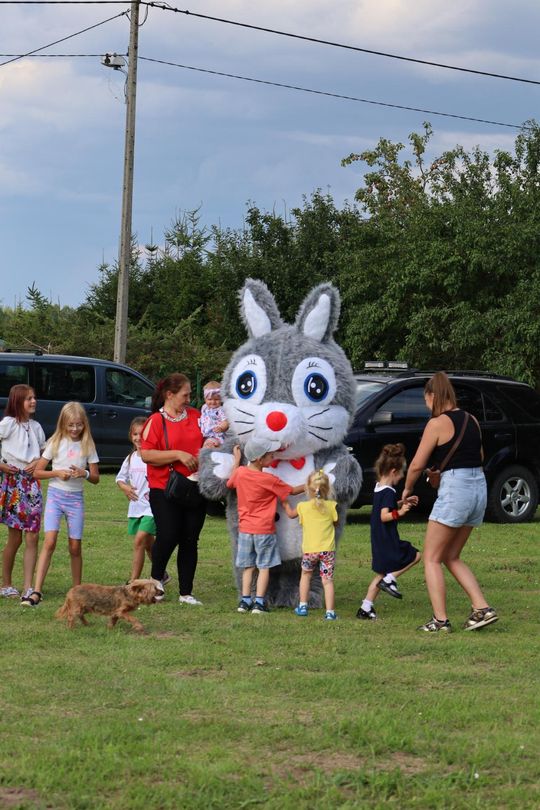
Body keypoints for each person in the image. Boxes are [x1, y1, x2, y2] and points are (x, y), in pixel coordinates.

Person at [402, 371, 498, 632]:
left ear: (433, 396)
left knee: (431, 557)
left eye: (425, 401)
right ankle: (482, 608)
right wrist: (440, 475)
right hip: (478, 488)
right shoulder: (472, 420)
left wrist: (407, 489)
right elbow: (475, 456)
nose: (426, 406)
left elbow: (416, 465)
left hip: (457, 490)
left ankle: (440, 621)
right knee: (451, 555)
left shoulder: (437, 423)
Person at [22, 402, 99, 605]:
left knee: (75, 547)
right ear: (63, 424)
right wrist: (57, 473)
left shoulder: (88, 444)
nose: (75, 429)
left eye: (79, 425)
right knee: (49, 542)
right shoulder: (55, 442)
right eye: (71, 425)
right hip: (56, 496)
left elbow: (96, 477)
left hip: (75, 500)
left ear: (84, 424)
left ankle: (77, 591)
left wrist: (85, 473)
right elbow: (37, 472)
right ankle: (36, 591)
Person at [140, 373, 206, 605]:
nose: (189, 398)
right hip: (165, 487)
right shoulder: (156, 422)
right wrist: (178, 454)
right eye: (185, 394)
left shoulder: (198, 416)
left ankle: (186, 592)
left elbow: (211, 436)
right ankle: (156, 580)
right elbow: (146, 454)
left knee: (190, 538)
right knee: (168, 534)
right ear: (170, 395)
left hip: (196, 486)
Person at [227, 438, 302, 614]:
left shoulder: (241, 473)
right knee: (264, 567)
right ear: (260, 459)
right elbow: (292, 491)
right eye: (270, 455)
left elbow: (230, 483)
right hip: (264, 530)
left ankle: (245, 602)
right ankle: (259, 602)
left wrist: (236, 460)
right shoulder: (269, 479)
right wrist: (311, 483)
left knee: (248, 567)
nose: (273, 456)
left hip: (245, 529)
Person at [356, 444, 420, 621]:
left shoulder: (379, 488)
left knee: (381, 574)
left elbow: (383, 508)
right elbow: (385, 516)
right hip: (387, 538)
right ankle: (391, 579)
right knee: (415, 555)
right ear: (393, 471)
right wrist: (400, 512)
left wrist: (401, 502)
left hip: (378, 538)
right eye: (401, 474)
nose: (401, 477)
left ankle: (365, 608)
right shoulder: (389, 492)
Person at [0, 384, 46, 601]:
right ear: (17, 401)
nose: (33, 401)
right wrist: (1, 465)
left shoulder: (36, 426)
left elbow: (45, 452)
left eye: (34, 397)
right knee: (15, 537)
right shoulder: (8, 424)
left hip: (33, 483)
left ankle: (29, 586)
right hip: (13, 484)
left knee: (33, 536)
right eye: (28, 398)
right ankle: (6, 584)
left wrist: (37, 461)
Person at [284, 469, 339, 621]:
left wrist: (284, 501)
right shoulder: (332, 506)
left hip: (309, 550)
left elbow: (290, 513)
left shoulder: (303, 507)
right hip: (327, 551)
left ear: (307, 488)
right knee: (327, 581)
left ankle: (302, 606)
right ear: (327, 489)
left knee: (305, 576)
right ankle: (330, 613)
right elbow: (335, 522)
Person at [116, 416, 162, 584]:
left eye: (142, 434)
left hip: (152, 508)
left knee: (139, 540)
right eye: (135, 434)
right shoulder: (131, 458)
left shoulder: (154, 457)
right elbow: (120, 478)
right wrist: (125, 488)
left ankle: (133, 582)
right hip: (136, 508)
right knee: (150, 545)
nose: (138, 438)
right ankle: (161, 574)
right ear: (130, 435)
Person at [199, 380, 229, 446]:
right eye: (210, 399)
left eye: (216, 399)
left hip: (216, 435)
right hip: (206, 435)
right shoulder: (204, 407)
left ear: (221, 399)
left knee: (210, 445)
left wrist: (221, 428)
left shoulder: (220, 410)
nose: (213, 402)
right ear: (205, 399)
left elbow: (226, 422)